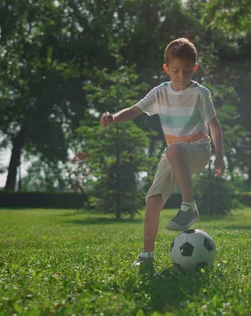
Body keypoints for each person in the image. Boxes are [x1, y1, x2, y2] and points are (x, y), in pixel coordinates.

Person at [99, 38, 225, 266]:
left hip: (198, 150)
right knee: (153, 200)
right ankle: (147, 255)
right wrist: (114, 118)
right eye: (175, 71)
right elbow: (134, 111)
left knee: (173, 149)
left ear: (194, 68)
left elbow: (214, 125)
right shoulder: (160, 93)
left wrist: (219, 156)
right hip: (174, 155)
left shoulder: (200, 93)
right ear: (166, 69)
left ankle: (189, 207)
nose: (181, 77)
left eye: (187, 71)